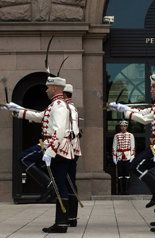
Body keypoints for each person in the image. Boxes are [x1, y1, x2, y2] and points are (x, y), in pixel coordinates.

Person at [109, 72, 155, 232]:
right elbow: (144, 116)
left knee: (136, 166)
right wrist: (124, 109)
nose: (151, 89)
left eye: (154, 86)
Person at [3, 77, 73, 233]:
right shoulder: (56, 104)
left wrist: (50, 151)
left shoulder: (59, 105)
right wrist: (16, 110)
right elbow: (39, 116)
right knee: (61, 185)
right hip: (61, 148)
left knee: (23, 158)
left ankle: (48, 185)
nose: (46, 90)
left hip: (54, 145)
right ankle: (61, 223)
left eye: (48, 88)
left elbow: (59, 130)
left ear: (54, 88)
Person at [63, 83, 82, 227]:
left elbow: (71, 131)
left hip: (69, 150)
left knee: (68, 183)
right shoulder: (72, 107)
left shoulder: (67, 108)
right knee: (70, 182)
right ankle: (71, 217)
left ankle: (70, 217)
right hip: (73, 150)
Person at [112, 120, 135, 195]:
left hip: (127, 155)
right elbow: (114, 146)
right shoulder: (117, 135)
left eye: (124, 126)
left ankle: (127, 191)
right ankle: (121, 191)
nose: (123, 127)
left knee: (127, 174)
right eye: (122, 126)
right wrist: (114, 157)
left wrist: (132, 155)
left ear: (127, 126)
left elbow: (132, 146)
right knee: (120, 174)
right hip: (119, 156)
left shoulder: (130, 135)